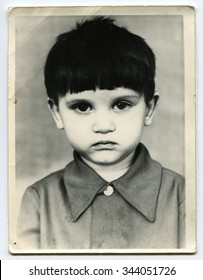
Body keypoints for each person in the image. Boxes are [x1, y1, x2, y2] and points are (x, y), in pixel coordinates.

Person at [17, 16, 185, 250]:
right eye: (83, 107)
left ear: (149, 109)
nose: (103, 126)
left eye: (121, 105)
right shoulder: (39, 200)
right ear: (57, 113)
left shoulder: (183, 197)